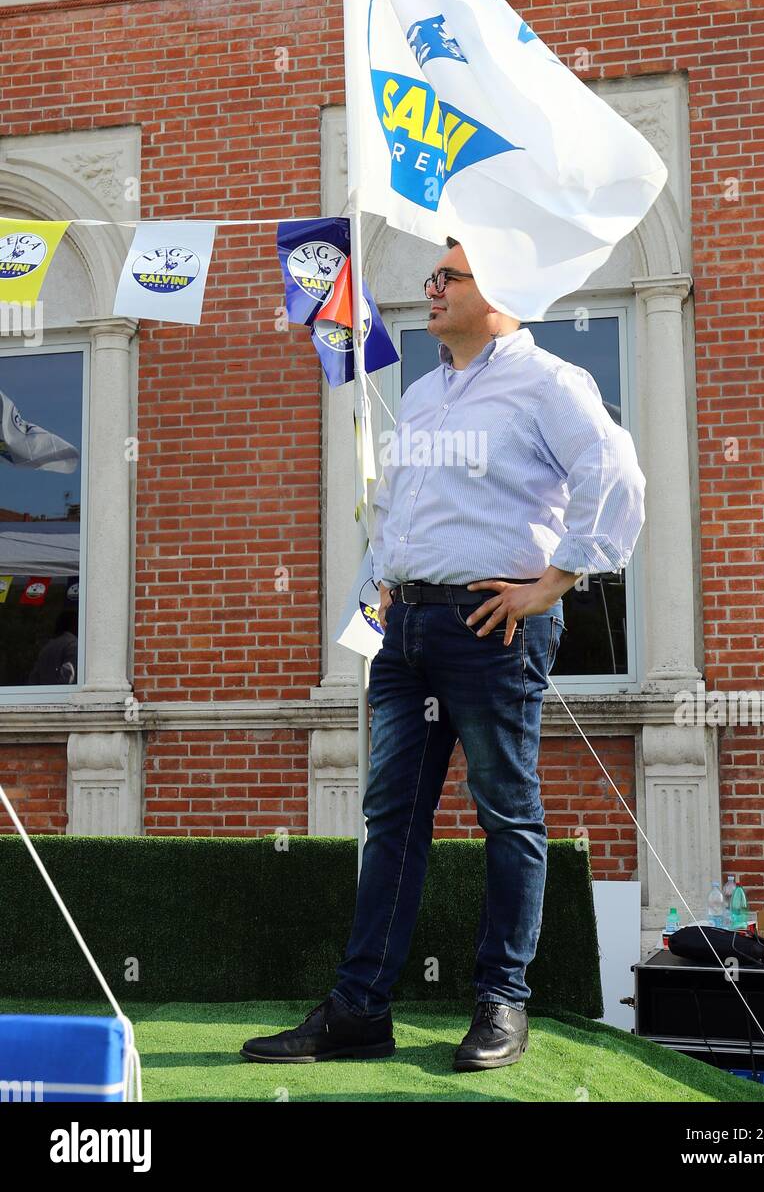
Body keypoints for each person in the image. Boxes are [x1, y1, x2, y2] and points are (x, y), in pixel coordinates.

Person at [242, 238, 646, 1069]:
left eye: (445, 278)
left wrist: (554, 583)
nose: (427, 290)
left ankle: (502, 1002)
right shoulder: (421, 395)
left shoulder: (549, 383)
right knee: (390, 819)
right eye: (431, 276)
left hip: (494, 624)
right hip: (409, 631)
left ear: (493, 288)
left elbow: (615, 473)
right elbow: (393, 508)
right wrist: (379, 591)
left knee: (506, 815)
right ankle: (360, 1011)